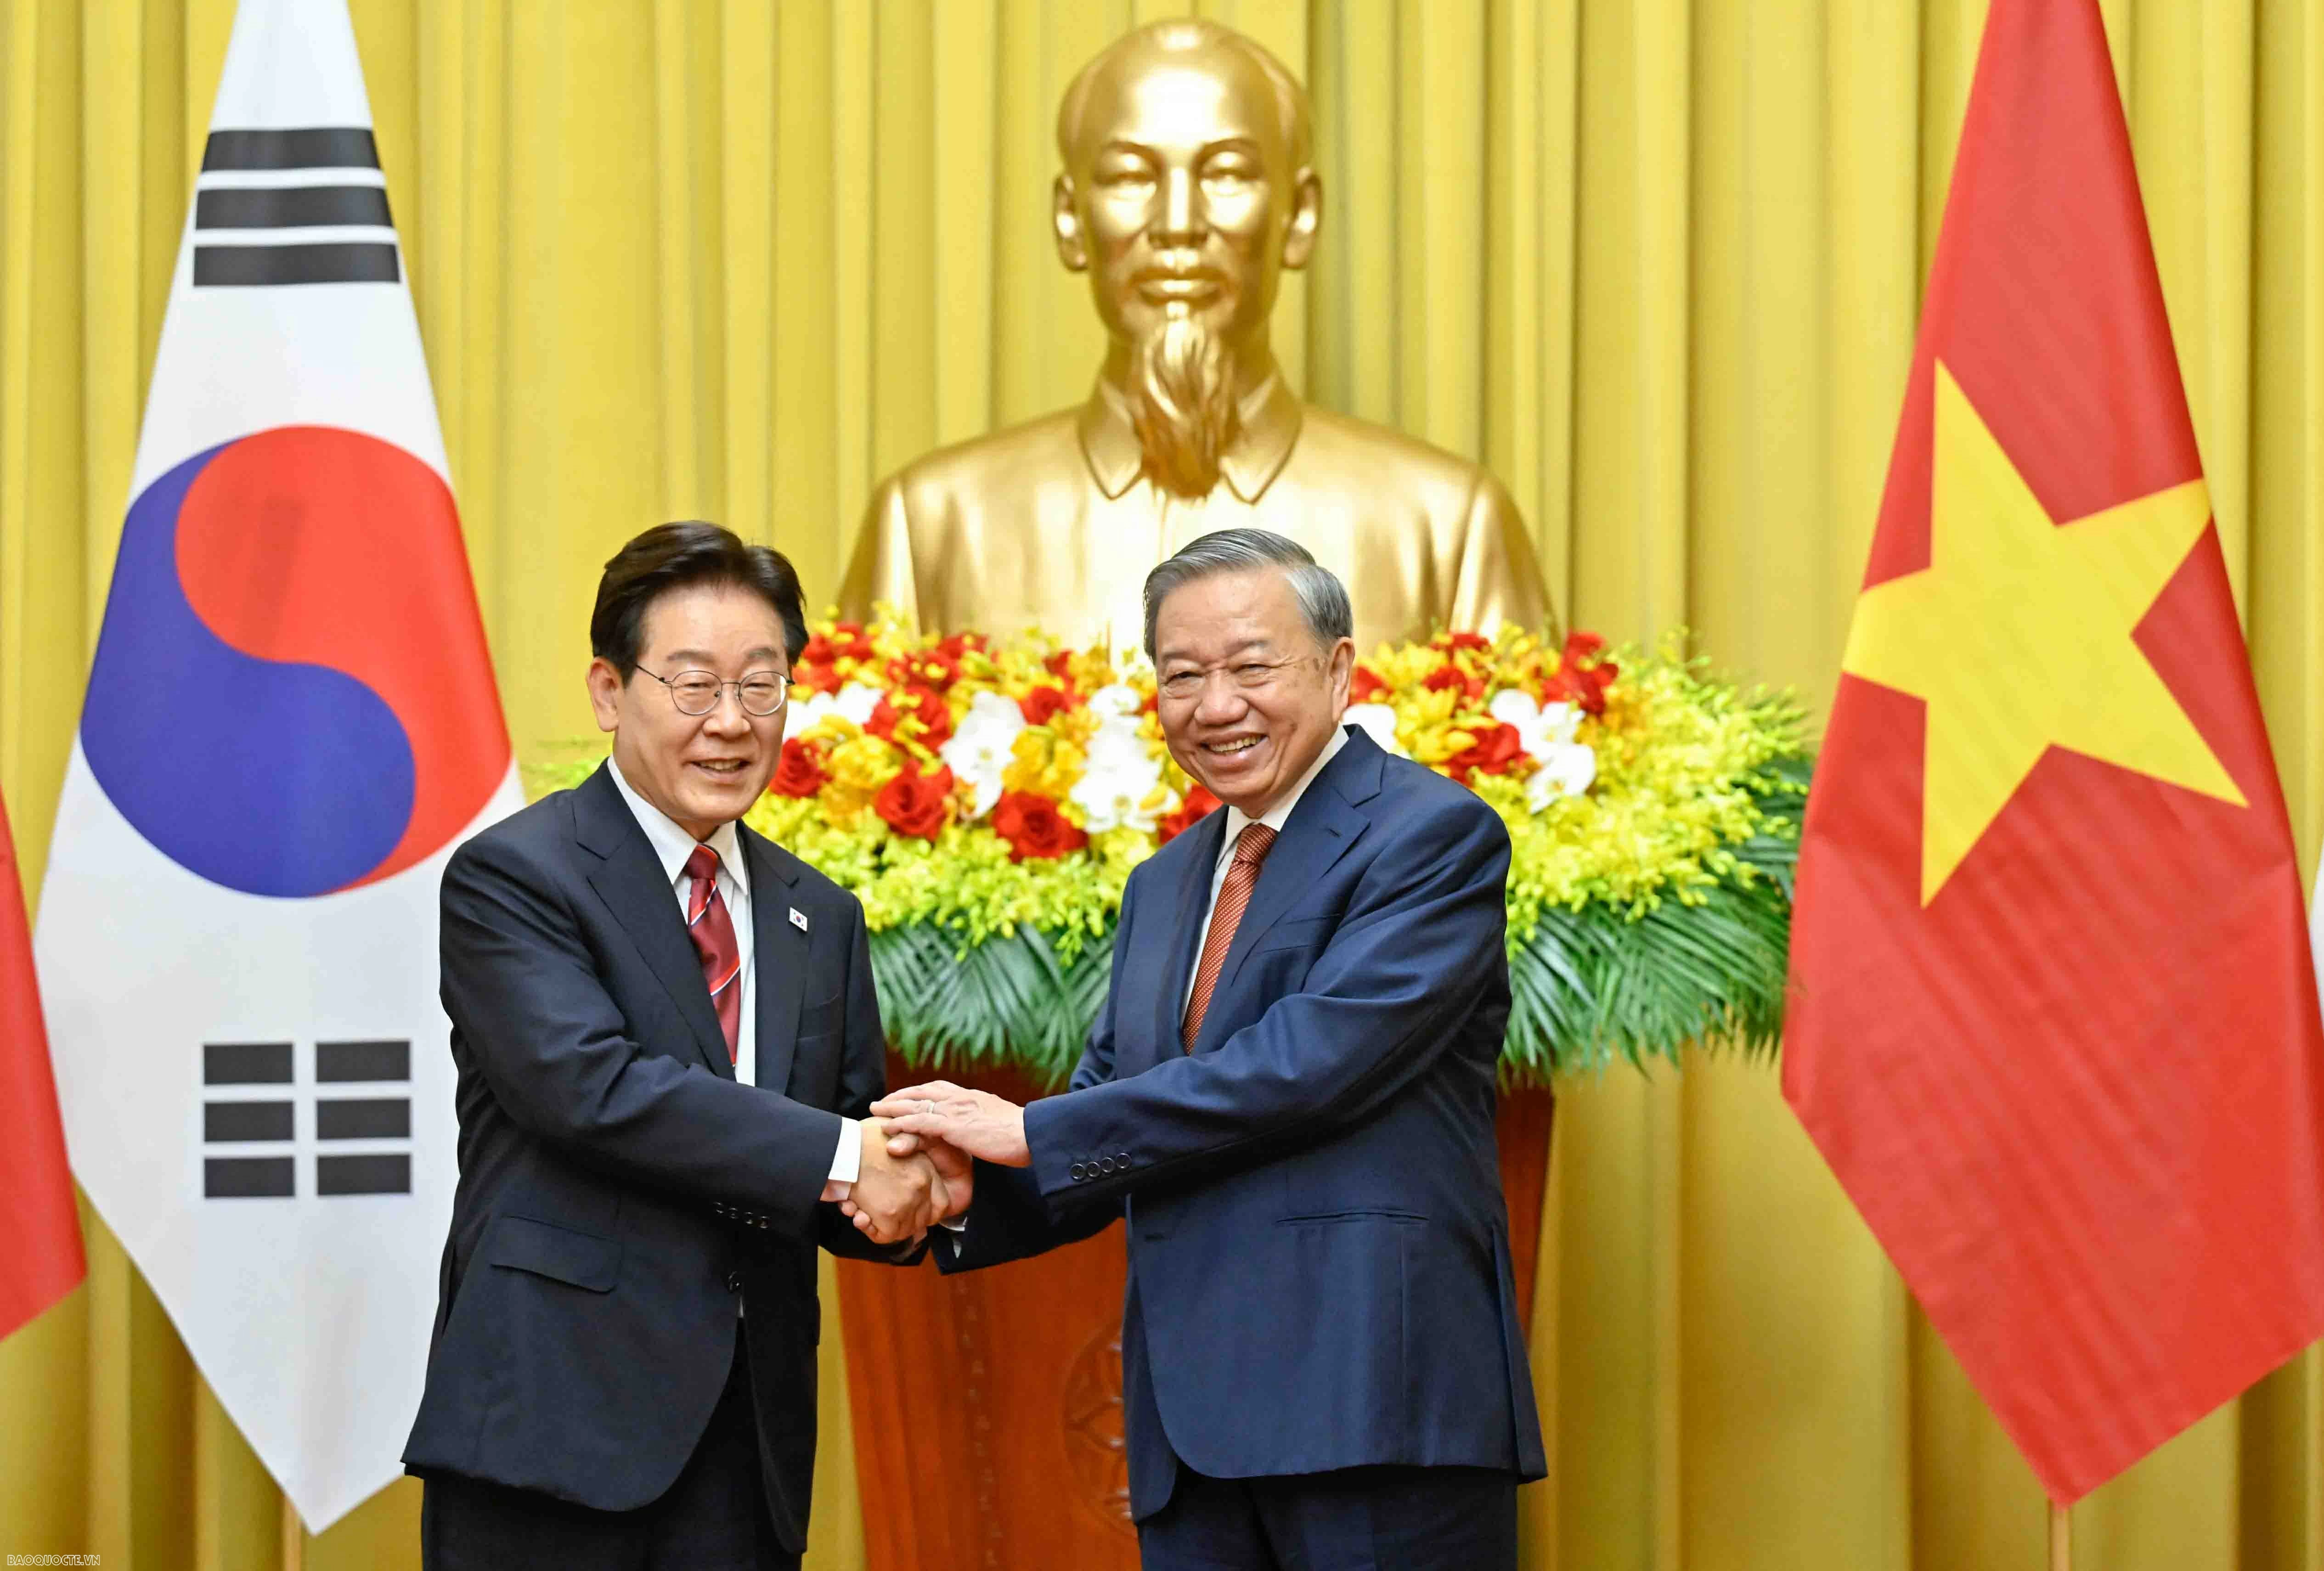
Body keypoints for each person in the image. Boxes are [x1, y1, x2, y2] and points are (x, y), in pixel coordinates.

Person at [871, 528, 1545, 1570]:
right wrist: (957, 1191)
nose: (1214, 705)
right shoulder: (1167, 882)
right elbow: (1120, 1101)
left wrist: (1027, 1130)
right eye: (1181, 676)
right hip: (1192, 1428)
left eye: (1250, 667)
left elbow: (1309, 1066)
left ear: (1337, 670)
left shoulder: (1429, 836)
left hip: (1373, 1401)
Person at [403, 523, 968, 1571]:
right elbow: (591, 1089)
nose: (731, 722)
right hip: (554, 1428)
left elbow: (833, 1146)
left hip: (744, 1445)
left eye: (762, 686)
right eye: (694, 683)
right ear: (610, 693)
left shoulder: (820, 914)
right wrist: (851, 1159)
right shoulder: (518, 878)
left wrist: (922, 1193)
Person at [838, 18, 1551, 653]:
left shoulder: (1446, 529)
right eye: (1128, 176)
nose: (1178, 222)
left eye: (1228, 173)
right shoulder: (932, 526)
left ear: (1299, 217)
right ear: (1069, 219)